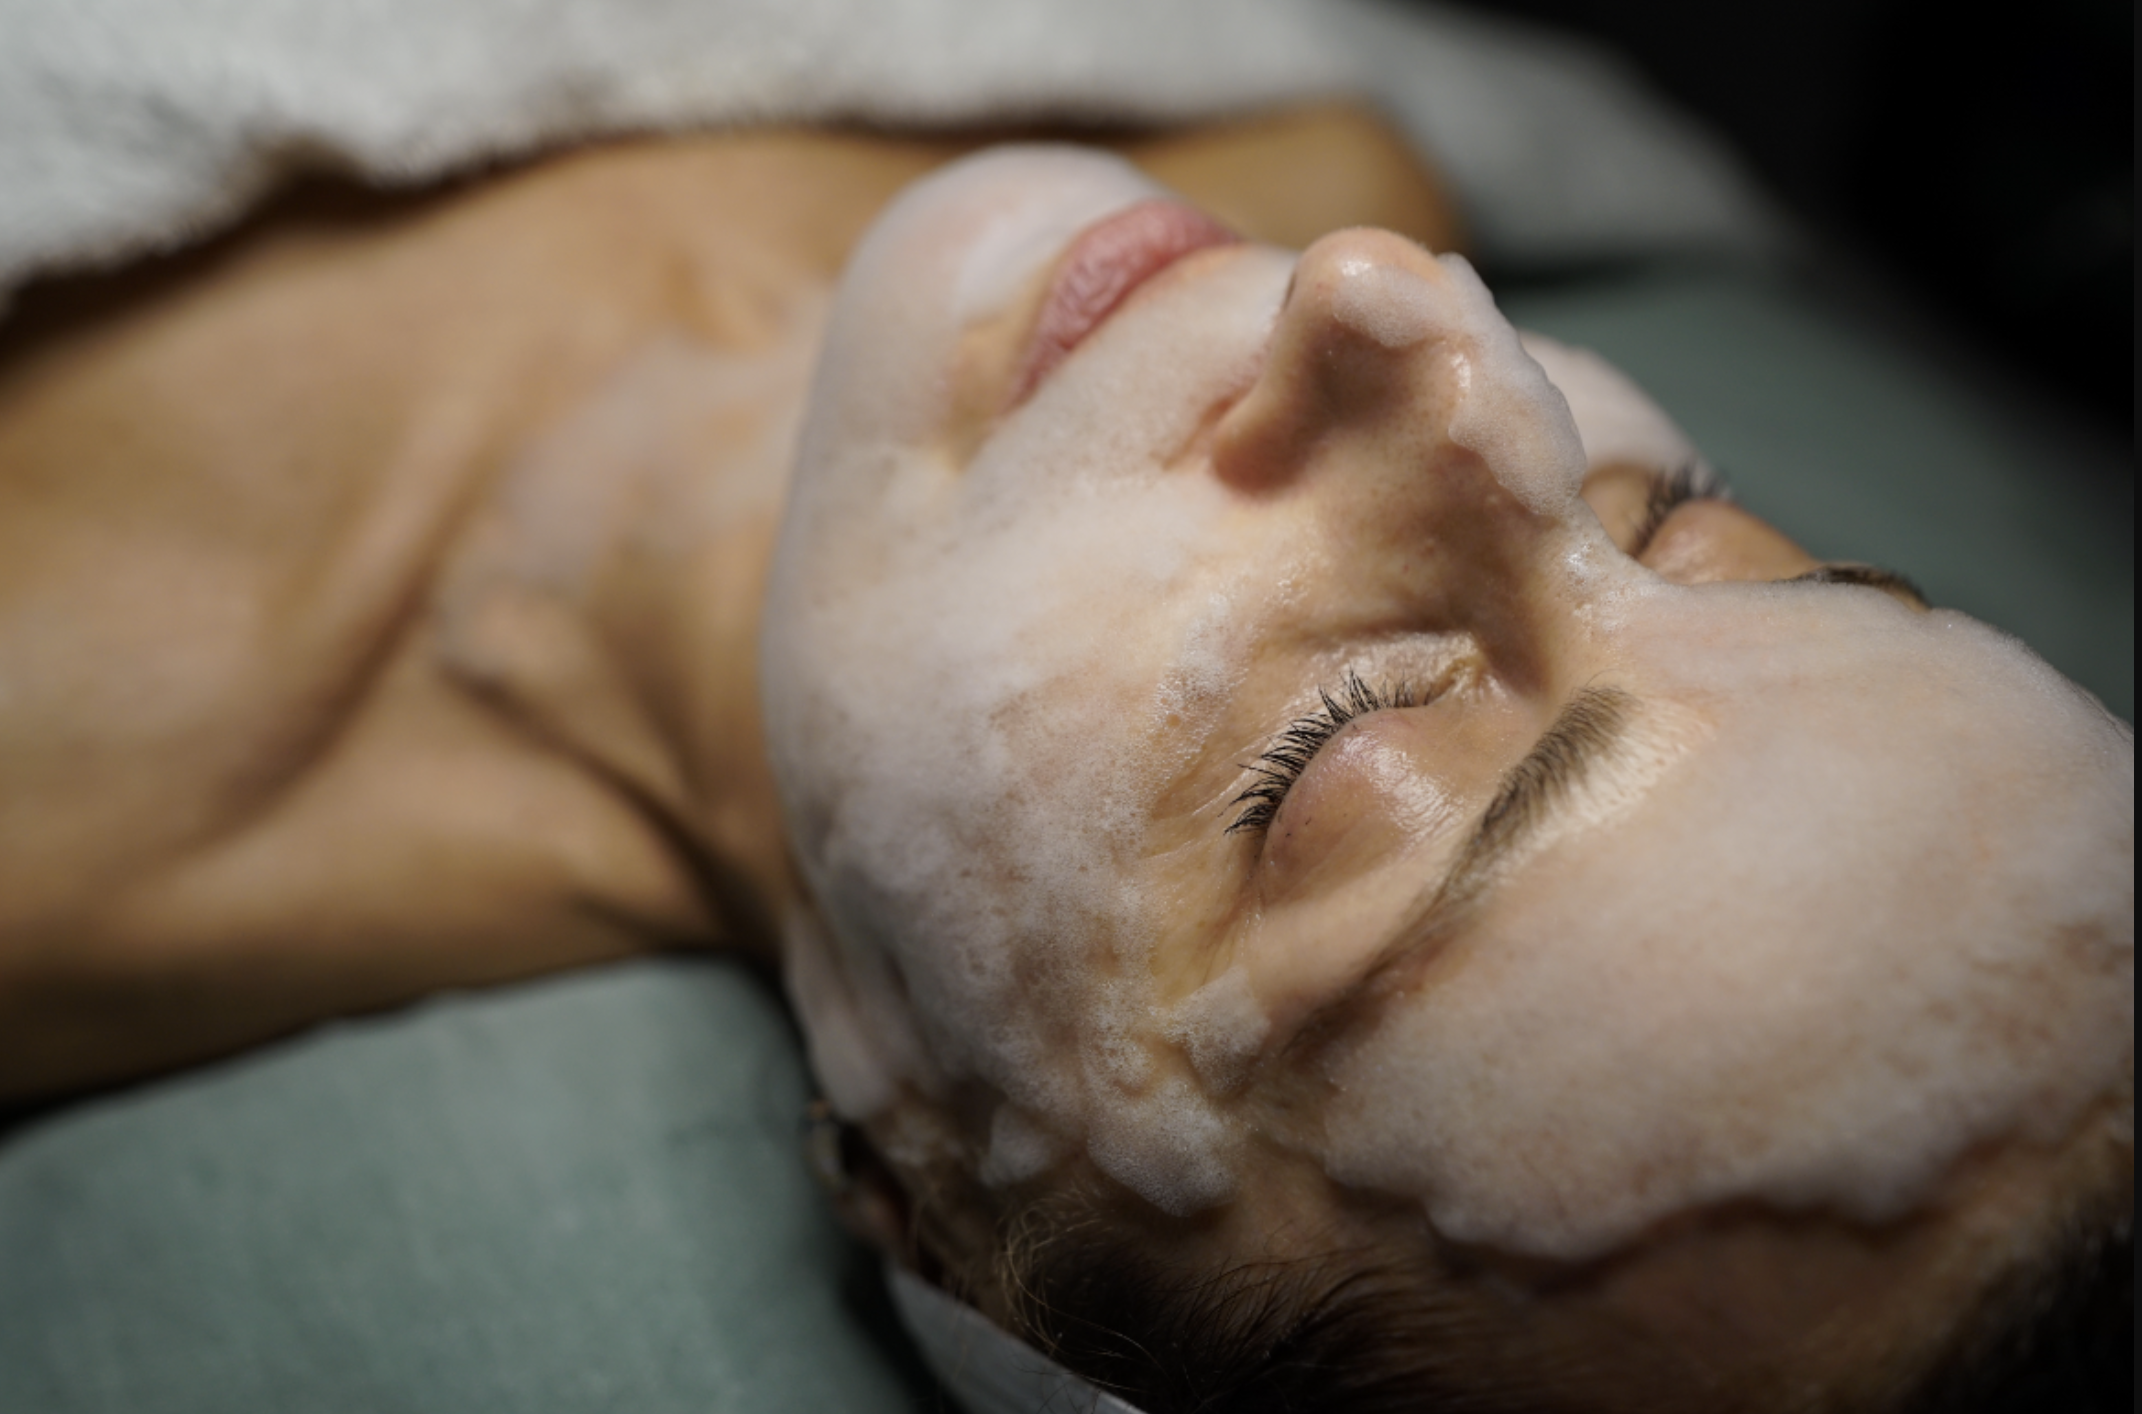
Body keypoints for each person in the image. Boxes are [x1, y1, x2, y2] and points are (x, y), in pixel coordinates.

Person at [0, 111, 2128, 1411]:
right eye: (1686, 518)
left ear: (927, 1208)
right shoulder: (1320, 143)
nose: (1406, 319)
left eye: (1344, 748)